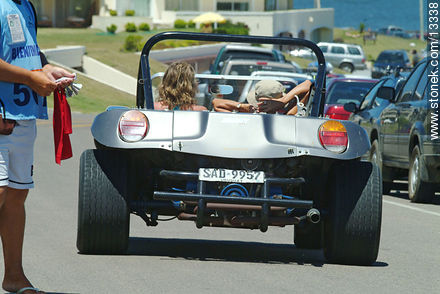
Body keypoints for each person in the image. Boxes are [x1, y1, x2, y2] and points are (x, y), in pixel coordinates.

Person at [0, 1, 75, 293]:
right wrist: (31, 78)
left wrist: (44, 69)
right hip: (2, 115)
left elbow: (25, 52)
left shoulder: (26, 6)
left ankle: (14, 277)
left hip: (22, 116)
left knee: (17, 195)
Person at [212, 79, 313, 115]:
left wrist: (241, 107)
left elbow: (216, 104)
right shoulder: (289, 115)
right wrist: (282, 102)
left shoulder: (246, 117)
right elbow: (308, 84)